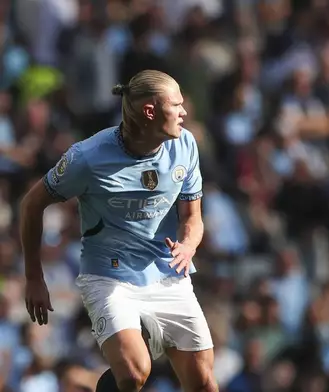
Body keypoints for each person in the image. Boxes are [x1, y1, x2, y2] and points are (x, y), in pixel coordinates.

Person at [19, 70, 218, 392]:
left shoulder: (185, 145)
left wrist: (189, 245)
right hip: (109, 276)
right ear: (150, 111)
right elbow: (31, 204)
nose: (184, 112)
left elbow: (192, 217)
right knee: (133, 372)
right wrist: (33, 277)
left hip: (169, 273)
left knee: (204, 382)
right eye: (177, 105)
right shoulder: (87, 157)